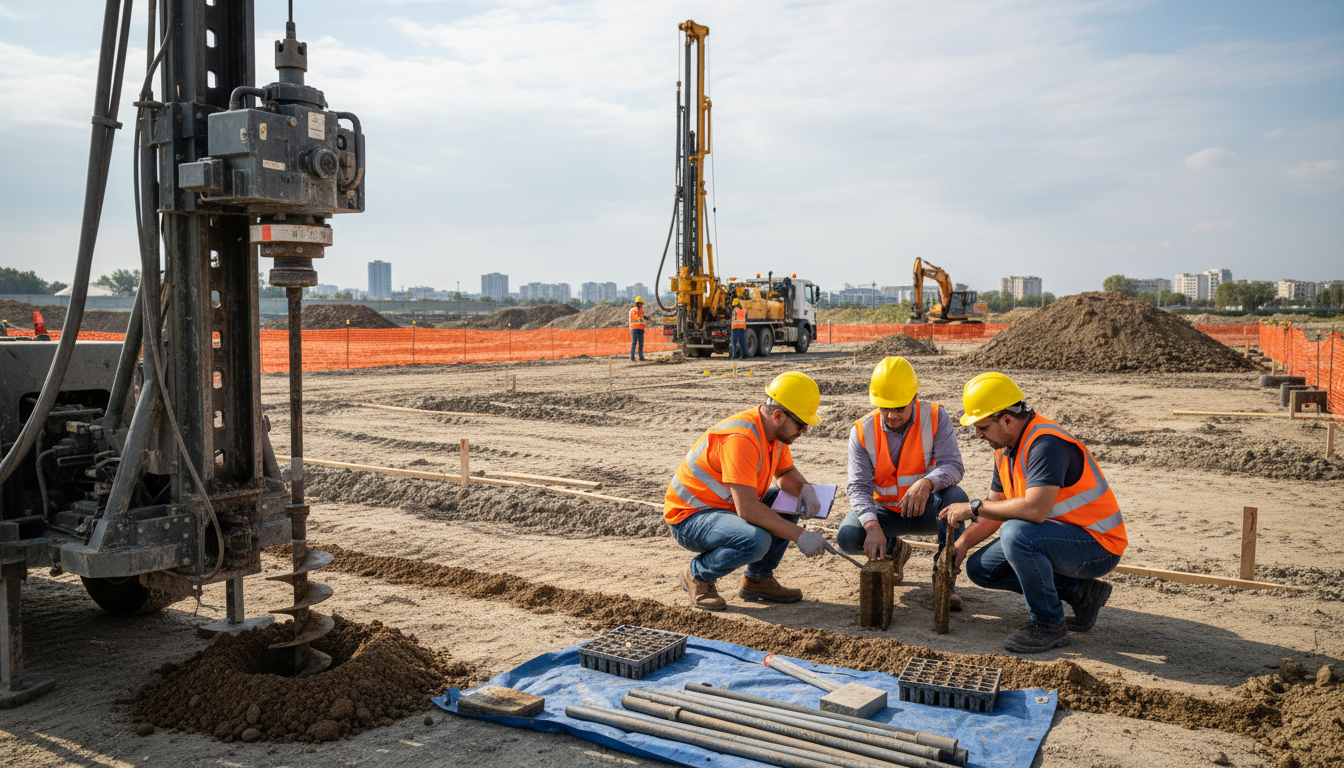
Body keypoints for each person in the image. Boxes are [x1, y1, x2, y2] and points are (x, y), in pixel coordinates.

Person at [939, 372, 1125, 654]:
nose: (978, 434)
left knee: (1016, 533)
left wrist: (973, 507)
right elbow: (995, 510)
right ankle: (1082, 594)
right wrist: (961, 545)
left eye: (981, 426)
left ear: (1007, 420)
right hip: (1059, 538)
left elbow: (1035, 511)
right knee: (981, 569)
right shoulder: (1005, 450)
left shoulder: (1046, 443)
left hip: (1097, 545)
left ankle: (1049, 623)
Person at [665, 372, 832, 610]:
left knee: (790, 501)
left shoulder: (774, 434)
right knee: (755, 541)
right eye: (801, 424)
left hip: (726, 508)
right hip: (691, 516)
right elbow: (748, 509)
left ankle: (758, 579)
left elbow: (785, 474)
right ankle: (697, 575)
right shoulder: (742, 438)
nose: (804, 430)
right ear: (778, 416)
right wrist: (800, 535)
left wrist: (804, 488)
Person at [836, 357, 967, 608]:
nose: (891, 415)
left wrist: (927, 483)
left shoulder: (936, 417)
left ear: (914, 396)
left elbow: (953, 465)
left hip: (927, 510)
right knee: (849, 536)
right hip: (885, 511)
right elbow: (859, 486)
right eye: (884, 408)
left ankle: (943, 580)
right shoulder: (863, 430)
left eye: (899, 408)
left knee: (956, 498)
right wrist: (873, 527)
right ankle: (896, 550)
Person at [629, 297, 646, 361]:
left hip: (641, 329)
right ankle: (632, 357)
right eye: (638, 303)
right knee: (634, 342)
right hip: (634, 329)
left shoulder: (642, 310)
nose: (640, 305)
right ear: (636, 304)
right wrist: (643, 318)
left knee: (641, 343)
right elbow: (637, 317)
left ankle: (641, 357)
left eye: (641, 303)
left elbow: (642, 318)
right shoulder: (633, 310)